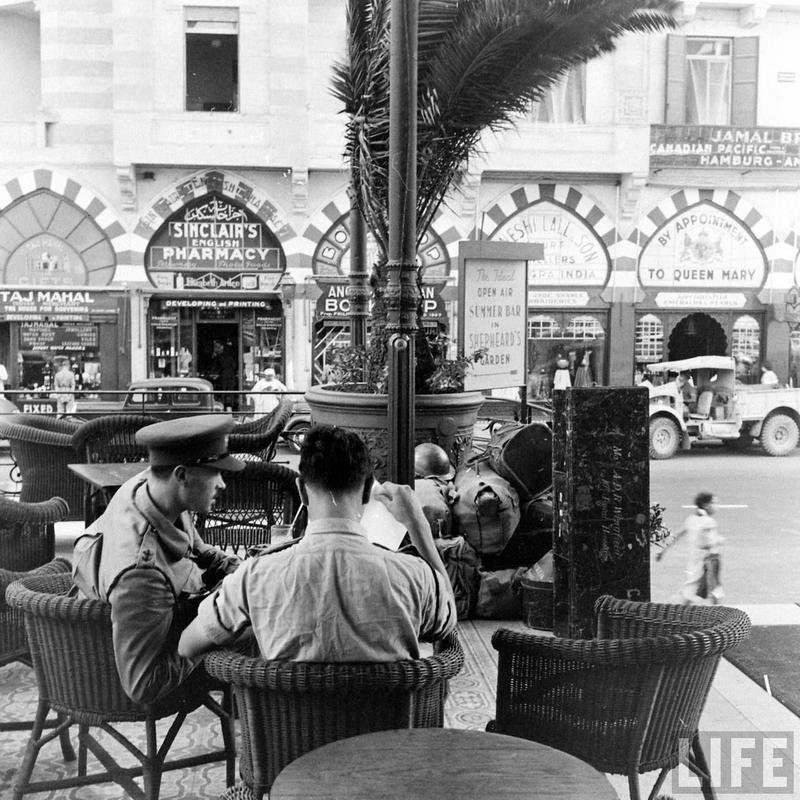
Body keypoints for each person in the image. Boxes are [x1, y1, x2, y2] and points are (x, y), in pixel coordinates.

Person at [179, 425, 457, 662]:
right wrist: (418, 527)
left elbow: (187, 646)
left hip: (286, 713)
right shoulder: (416, 577)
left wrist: (264, 617)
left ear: (301, 490)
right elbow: (448, 622)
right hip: (387, 713)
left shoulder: (253, 577)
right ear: (366, 491)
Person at [71, 415, 245, 704]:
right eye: (215, 473)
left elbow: (194, 547)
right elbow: (143, 685)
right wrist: (215, 625)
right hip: (119, 669)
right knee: (254, 627)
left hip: (153, 620)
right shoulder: (141, 573)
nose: (222, 484)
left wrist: (240, 569)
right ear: (182, 475)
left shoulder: (153, 487)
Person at [655, 491, 724, 605]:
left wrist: (662, 551)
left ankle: (683, 610)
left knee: (694, 593)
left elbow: (675, 536)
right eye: (714, 503)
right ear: (706, 505)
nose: (717, 506)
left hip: (693, 564)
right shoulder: (709, 522)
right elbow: (710, 543)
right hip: (705, 564)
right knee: (704, 593)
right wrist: (719, 540)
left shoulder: (690, 520)